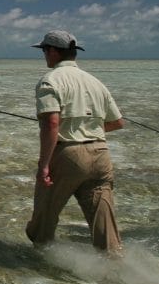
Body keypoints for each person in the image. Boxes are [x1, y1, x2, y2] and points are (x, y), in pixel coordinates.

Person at [25, 30, 126, 253]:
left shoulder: (49, 81)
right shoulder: (95, 82)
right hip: (101, 153)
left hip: (68, 154)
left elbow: (51, 124)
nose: (43, 55)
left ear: (52, 51)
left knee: (43, 221)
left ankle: (40, 264)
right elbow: (118, 122)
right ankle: (115, 267)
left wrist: (43, 166)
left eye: (43, 50)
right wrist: (87, 129)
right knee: (105, 228)